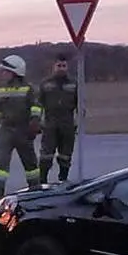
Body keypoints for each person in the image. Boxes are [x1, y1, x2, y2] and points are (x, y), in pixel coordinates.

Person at [0, 55, 43, 205]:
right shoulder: (0, 90)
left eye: (5, 71)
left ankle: (35, 190)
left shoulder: (28, 89)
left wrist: (34, 123)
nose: (2, 74)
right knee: (1, 164)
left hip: (24, 129)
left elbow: (36, 107)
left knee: (30, 163)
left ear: (15, 72)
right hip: (6, 130)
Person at [36, 53, 78, 184]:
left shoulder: (74, 83)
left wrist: (78, 121)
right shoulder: (45, 84)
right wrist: (36, 121)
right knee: (46, 155)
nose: (61, 68)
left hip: (68, 123)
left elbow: (80, 104)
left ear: (67, 67)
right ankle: (42, 181)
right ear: (53, 66)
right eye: (58, 65)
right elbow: (38, 104)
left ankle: (63, 180)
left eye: (64, 66)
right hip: (50, 123)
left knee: (66, 155)